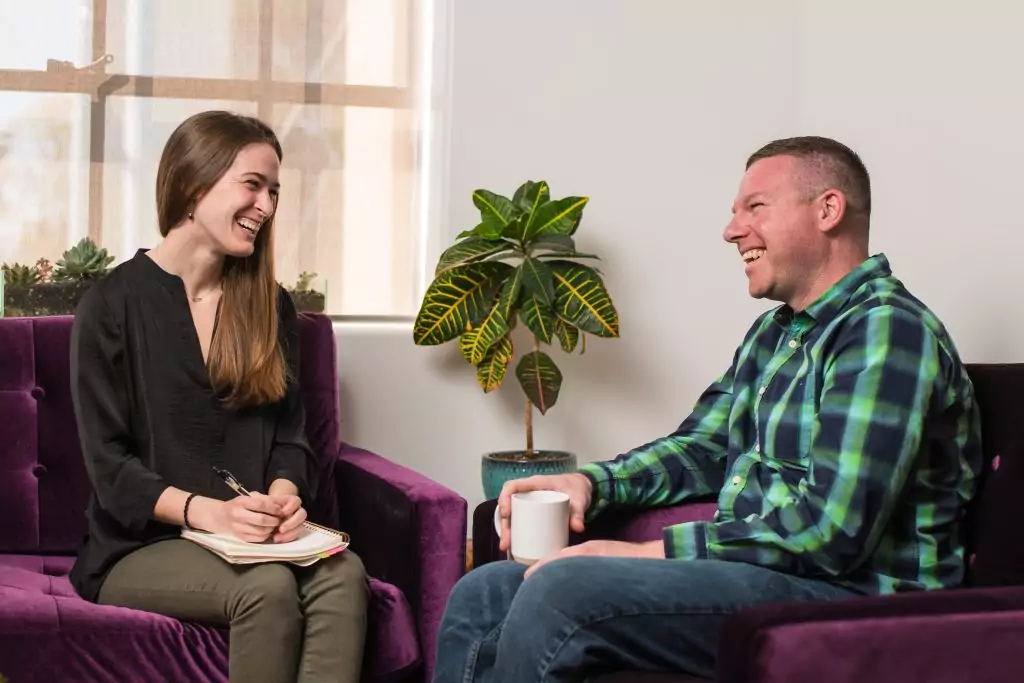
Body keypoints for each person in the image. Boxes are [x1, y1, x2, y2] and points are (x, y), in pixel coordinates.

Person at [433, 136, 983, 682]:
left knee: (559, 592)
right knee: (484, 592)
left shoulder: (886, 330)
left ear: (827, 210)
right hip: (765, 578)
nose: (732, 229)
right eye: (734, 212)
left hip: (856, 605)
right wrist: (593, 483)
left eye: (756, 207)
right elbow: (703, 449)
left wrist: (643, 554)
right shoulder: (777, 333)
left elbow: (829, 532)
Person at [68, 110, 368, 683]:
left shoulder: (269, 306)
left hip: (254, 540)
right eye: (252, 185)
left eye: (274, 192)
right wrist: (214, 516)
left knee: (343, 574)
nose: (267, 207)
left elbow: (290, 438)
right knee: (269, 588)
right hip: (140, 547)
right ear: (194, 182)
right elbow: (111, 470)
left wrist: (282, 499)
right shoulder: (110, 306)